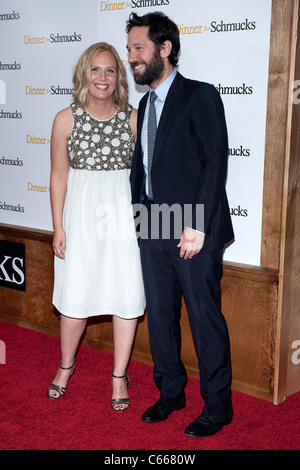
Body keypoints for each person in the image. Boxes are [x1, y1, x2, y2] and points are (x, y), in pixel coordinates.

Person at [126, 12, 234, 437]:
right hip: (152, 221)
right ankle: (171, 391)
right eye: (131, 48)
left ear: (164, 49)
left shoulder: (199, 96)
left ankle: (218, 406)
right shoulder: (145, 104)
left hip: (193, 226)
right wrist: (139, 216)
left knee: (205, 316)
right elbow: (145, 168)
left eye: (139, 48)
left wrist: (198, 225)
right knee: (160, 315)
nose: (132, 56)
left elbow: (214, 163)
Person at [48, 42, 145, 412]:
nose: (102, 77)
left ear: (118, 76)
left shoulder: (134, 118)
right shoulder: (65, 119)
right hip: (80, 216)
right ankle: (65, 367)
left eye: (109, 70)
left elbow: (146, 177)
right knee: (75, 295)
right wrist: (58, 227)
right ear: (83, 74)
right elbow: (58, 178)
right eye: (95, 70)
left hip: (123, 218)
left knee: (125, 293)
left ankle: (119, 375)